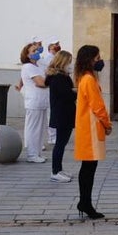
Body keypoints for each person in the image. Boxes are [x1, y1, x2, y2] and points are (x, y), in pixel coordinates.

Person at [73, 44, 111, 220]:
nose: (99, 61)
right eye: (97, 58)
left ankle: (85, 201)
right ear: (89, 60)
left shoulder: (86, 77)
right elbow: (97, 105)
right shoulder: (88, 79)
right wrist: (107, 122)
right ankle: (85, 202)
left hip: (88, 127)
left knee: (88, 167)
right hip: (91, 127)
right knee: (89, 167)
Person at [46, 50, 76, 183]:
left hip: (66, 113)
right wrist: (77, 92)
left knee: (62, 143)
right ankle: (55, 171)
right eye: (69, 62)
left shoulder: (63, 76)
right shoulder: (58, 78)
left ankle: (59, 169)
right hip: (62, 114)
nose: (71, 64)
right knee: (60, 143)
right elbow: (66, 95)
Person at [19, 43, 48, 163]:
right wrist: (49, 80)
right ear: (27, 54)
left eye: (37, 50)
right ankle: (31, 154)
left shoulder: (38, 66)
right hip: (34, 101)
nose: (36, 52)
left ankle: (37, 152)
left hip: (42, 101)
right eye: (33, 51)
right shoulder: (28, 67)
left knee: (40, 129)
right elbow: (41, 82)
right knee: (33, 128)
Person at [39, 37, 60, 146]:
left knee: (52, 112)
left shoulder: (57, 57)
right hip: (49, 88)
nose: (57, 46)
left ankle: (53, 136)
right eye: (55, 44)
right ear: (50, 47)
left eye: (58, 44)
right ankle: (52, 137)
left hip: (53, 87)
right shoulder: (48, 58)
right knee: (50, 113)